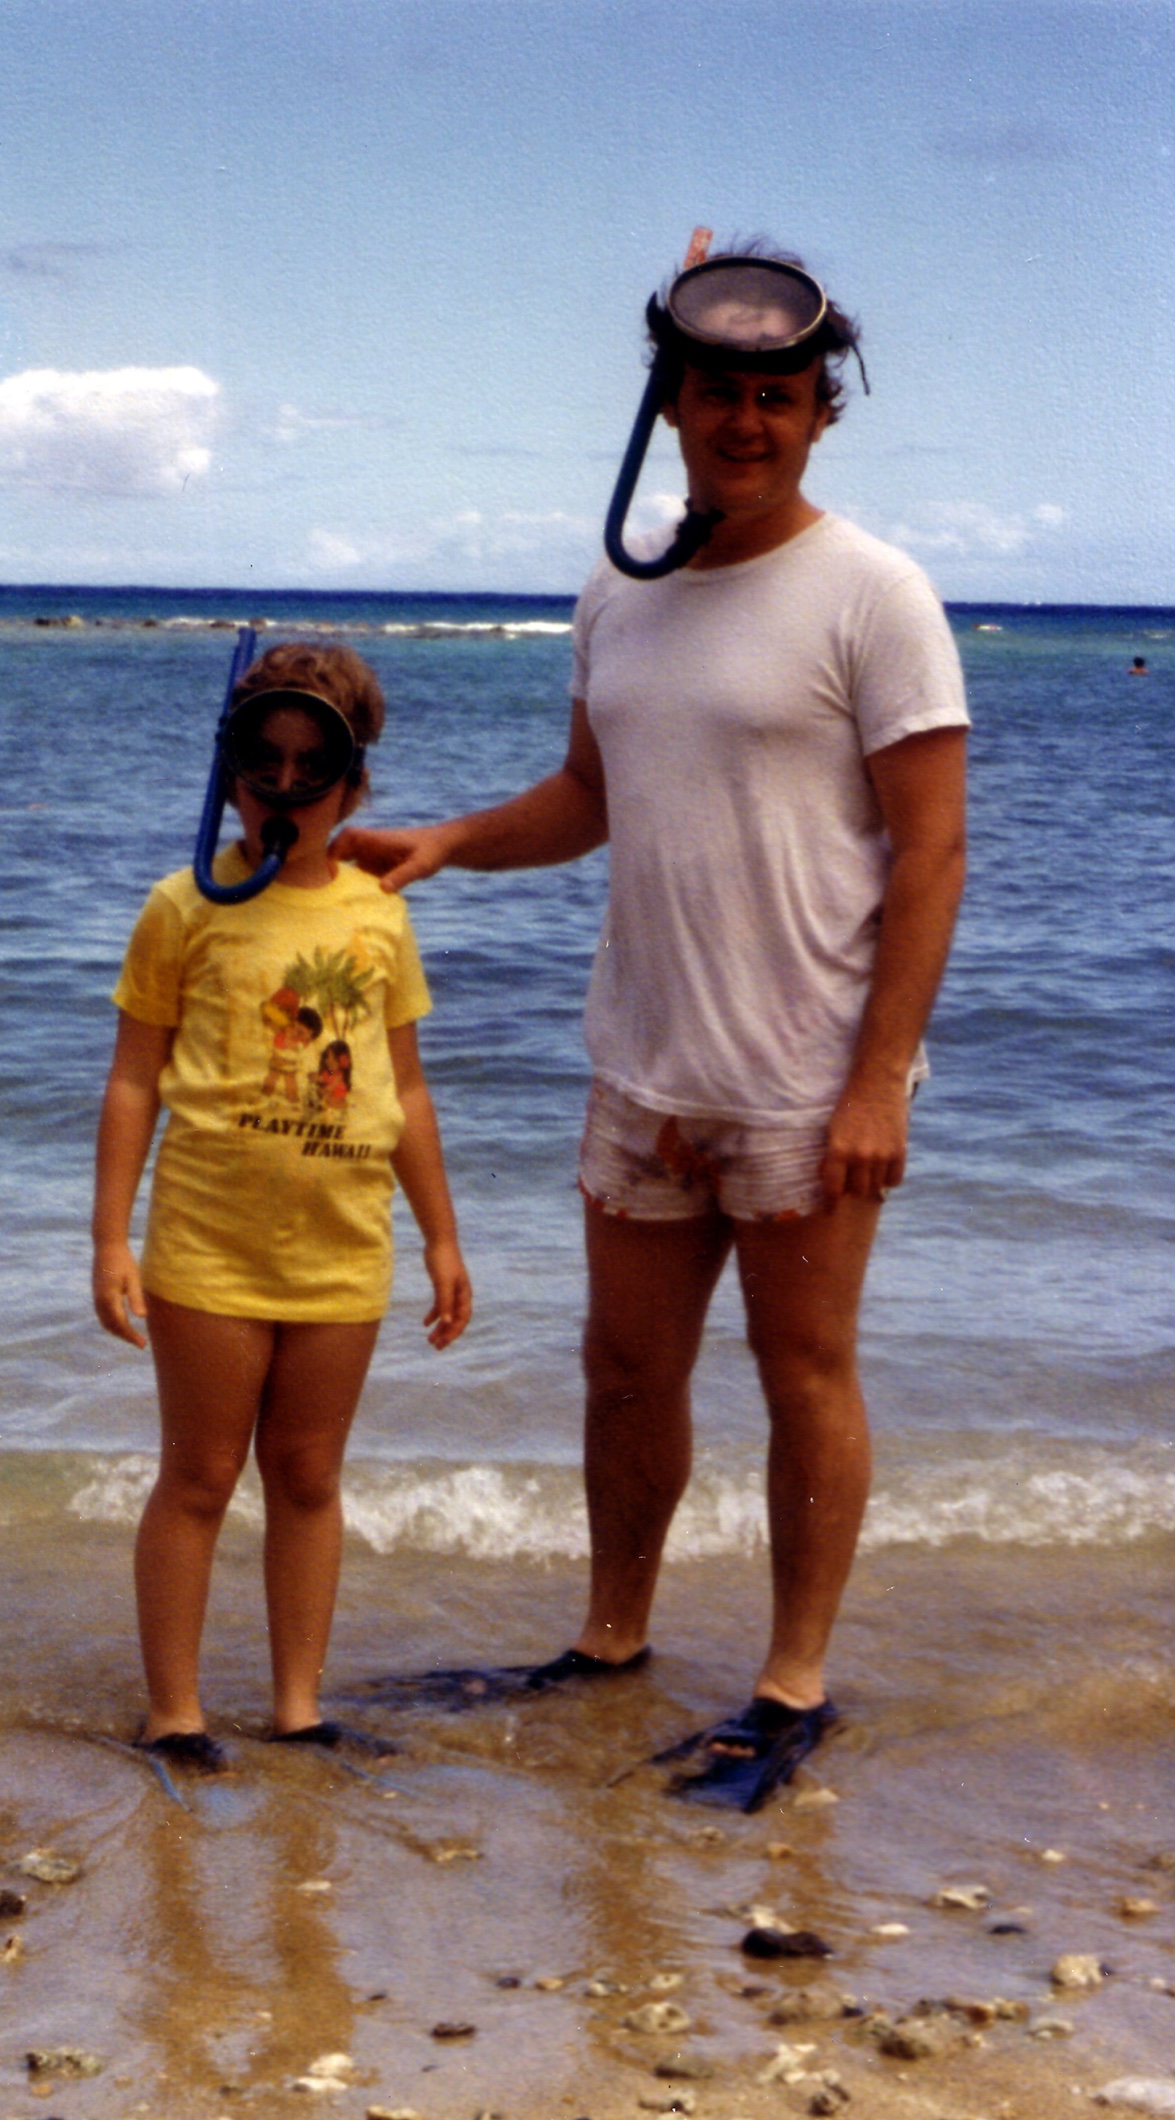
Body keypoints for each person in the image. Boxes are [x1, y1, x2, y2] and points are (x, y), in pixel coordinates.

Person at [336, 244, 969, 1808]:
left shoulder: (873, 594)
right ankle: (609, 1639)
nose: (742, 421)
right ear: (668, 406)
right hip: (642, 1058)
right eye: (714, 394)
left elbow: (932, 849)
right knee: (621, 1368)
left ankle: (788, 1679)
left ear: (819, 415)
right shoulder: (615, 590)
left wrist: (877, 1075)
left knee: (800, 1367)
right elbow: (589, 799)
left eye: (774, 397)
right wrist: (443, 845)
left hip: (801, 1075)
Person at [91, 641, 472, 1770]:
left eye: (318, 767)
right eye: (264, 766)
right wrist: (110, 1235)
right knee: (201, 1475)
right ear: (227, 774)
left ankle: (298, 1705)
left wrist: (444, 1235)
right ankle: (174, 1712)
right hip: (208, 1241)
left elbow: (402, 1087)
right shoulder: (182, 908)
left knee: (307, 1477)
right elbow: (129, 1081)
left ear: (355, 785)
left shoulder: (377, 916)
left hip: (341, 1248)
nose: (288, 790)